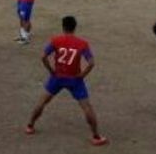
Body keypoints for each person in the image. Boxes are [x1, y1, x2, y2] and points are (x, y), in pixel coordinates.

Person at [25, 16, 108, 147]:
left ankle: (30, 125)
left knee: (42, 101)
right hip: (75, 79)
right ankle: (96, 136)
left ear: (63, 27)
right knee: (86, 106)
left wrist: (51, 71)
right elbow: (91, 63)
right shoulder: (82, 43)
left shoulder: (56, 40)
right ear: (75, 28)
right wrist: (82, 75)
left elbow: (43, 57)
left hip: (57, 77)